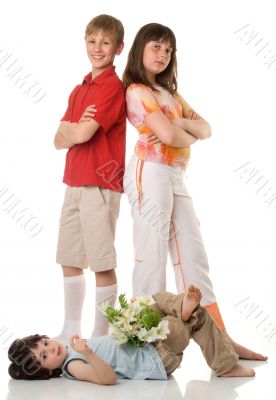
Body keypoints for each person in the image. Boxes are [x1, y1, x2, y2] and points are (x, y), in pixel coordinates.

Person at [120, 22, 267, 361]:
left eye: (168, 49)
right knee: (151, 255)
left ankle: (221, 340)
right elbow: (170, 139)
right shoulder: (137, 91)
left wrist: (181, 125)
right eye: (156, 46)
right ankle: (142, 344)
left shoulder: (171, 95)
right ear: (141, 48)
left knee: (194, 258)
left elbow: (206, 128)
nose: (163, 54)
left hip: (175, 175)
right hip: (150, 172)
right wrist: (184, 132)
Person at [8, 284, 256, 383]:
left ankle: (182, 308)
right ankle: (224, 364)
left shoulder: (71, 350)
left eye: (44, 343)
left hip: (148, 345)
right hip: (158, 359)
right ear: (47, 371)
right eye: (43, 357)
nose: (49, 349)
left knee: (155, 300)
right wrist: (89, 354)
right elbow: (107, 379)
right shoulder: (73, 365)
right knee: (191, 320)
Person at [53, 14, 126, 341]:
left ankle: (101, 335)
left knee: (101, 261)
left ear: (118, 48)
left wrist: (71, 130)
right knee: (69, 258)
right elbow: (58, 140)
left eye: (105, 43)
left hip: (100, 184)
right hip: (73, 182)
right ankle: (71, 331)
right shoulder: (79, 88)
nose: (97, 48)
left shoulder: (112, 87)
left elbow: (80, 134)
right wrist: (71, 130)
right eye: (92, 41)